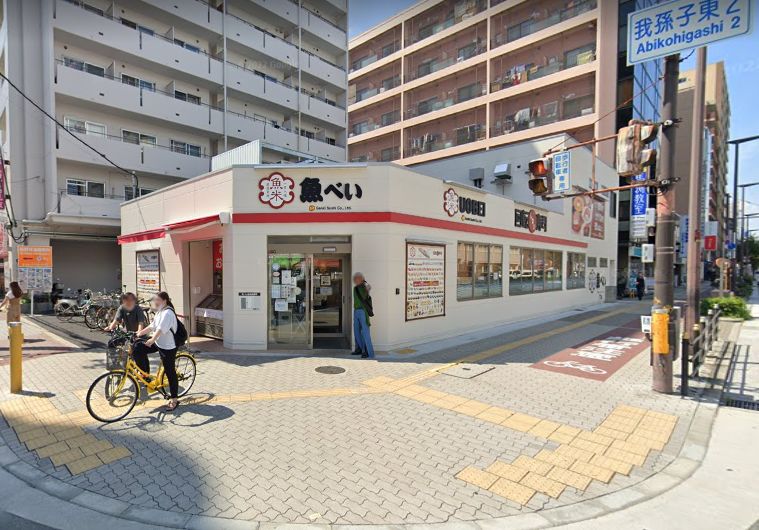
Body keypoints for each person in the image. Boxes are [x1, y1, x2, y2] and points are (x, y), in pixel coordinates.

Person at [134, 292, 180, 411]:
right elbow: (152, 326)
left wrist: (152, 340)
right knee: (137, 348)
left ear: (164, 301)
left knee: (170, 371)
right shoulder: (160, 312)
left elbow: (160, 329)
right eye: (154, 300)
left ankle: (174, 399)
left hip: (168, 347)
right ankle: (145, 376)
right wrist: (139, 333)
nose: (155, 302)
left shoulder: (168, 313)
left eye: (157, 300)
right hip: (159, 343)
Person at [351, 272, 375, 359]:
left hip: (363, 311)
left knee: (365, 332)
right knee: (356, 331)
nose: (355, 280)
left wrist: (367, 290)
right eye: (354, 278)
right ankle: (359, 349)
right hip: (356, 311)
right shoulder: (355, 288)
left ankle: (368, 352)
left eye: (356, 278)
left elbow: (366, 297)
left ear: (361, 279)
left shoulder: (364, 287)